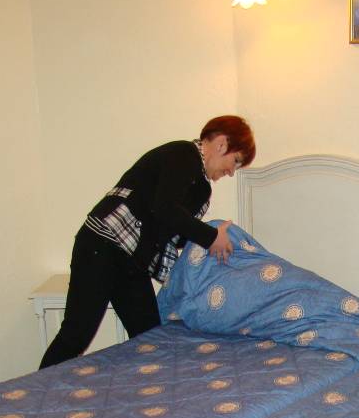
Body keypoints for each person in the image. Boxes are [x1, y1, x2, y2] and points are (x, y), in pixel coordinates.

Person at [39, 115, 256, 369]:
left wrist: (215, 239)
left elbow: (174, 232)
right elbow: (164, 208)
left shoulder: (201, 190)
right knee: (77, 334)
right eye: (235, 160)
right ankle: (37, 391)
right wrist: (210, 237)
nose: (231, 171)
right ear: (222, 143)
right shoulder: (183, 154)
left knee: (150, 340)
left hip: (131, 260)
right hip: (103, 245)